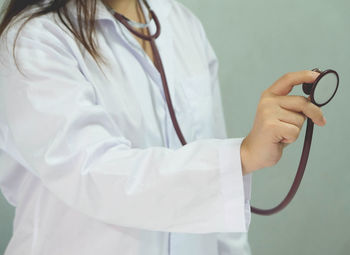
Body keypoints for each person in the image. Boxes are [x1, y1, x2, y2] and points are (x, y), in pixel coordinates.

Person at [0, 0, 326, 254]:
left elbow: (222, 197)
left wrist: (235, 165)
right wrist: (240, 156)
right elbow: (93, 175)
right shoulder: (34, 40)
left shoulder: (181, 24)